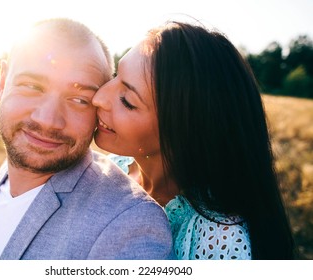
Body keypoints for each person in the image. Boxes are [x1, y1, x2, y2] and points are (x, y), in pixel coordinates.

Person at [0, 18, 174, 260]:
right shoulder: (15, 159)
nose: (48, 120)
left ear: (97, 111)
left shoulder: (131, 226)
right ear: (2, 83)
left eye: (79, 99)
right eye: (32, 86)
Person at [92, 21, 295, 259]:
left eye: (127, 100)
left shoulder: (220, 242)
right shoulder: (113, 167)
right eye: (116, 74)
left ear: (183, 130)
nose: (98, 97)